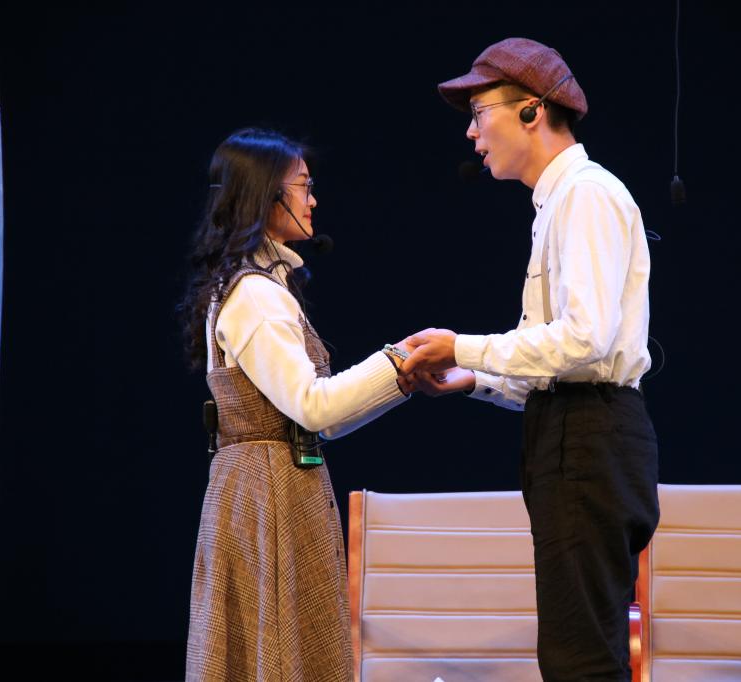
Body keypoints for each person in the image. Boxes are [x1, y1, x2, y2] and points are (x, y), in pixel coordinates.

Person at [401, 38, 660, 681]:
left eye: (479, 112)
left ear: (531, 110)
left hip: (591, 435)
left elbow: (585, 340)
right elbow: (557, 361)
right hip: (572, 429)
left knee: (580, 660)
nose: (471, 133)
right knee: (577, 651)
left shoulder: (586, 195)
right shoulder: (556, 204)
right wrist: (475, 380)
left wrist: (462, 345)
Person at [179, 128, 412, 681]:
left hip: (275, 484)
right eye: (303, 186)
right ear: (267, 196)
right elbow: (313, 407)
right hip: (268, 493)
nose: (313, 200)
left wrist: (401, 380)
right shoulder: (256, 295)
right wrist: (397, 361)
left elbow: (320, 420)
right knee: (279, 655)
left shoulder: (259, 285)